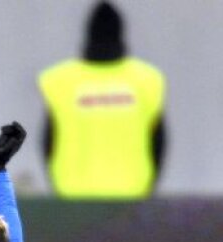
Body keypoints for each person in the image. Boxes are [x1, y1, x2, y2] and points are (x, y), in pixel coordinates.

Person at [37, 1, 167, 199]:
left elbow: (48, 143)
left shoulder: (60, 81)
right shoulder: (147, 81)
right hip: (132, 199)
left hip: (72, 200)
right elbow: (158, 143)